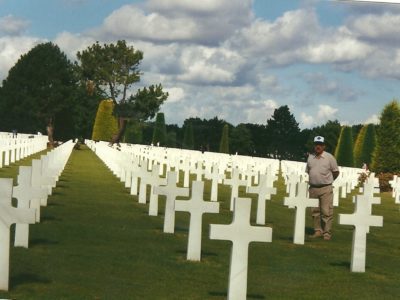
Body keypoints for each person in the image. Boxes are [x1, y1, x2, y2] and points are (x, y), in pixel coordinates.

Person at [306, 136, 339, 241]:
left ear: (324, 146)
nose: (318, 146)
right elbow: (308, 171)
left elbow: (336, 172)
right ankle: (318, 231)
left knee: (326, 211)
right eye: (316, 144)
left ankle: (327, 233)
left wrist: (328, 181)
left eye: (320, 144)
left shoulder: (330, 157)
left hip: (325, 188)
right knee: (314, 211)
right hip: (313, 188)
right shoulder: (310, 157)